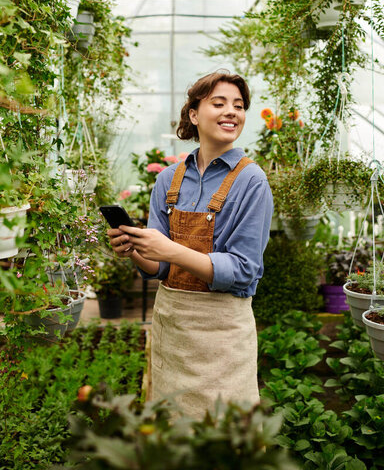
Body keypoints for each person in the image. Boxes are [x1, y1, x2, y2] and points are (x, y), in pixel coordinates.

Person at [108, 70, 273, 419]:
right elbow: (161, 269)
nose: (232, 112)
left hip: (222, 334)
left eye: (239, 106)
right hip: (173, 331)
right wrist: (137, 247)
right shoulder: (167, 179)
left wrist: (170, 249)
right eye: (219, 103)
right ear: (194, 114)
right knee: (172, 436)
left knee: (224, 437)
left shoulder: (251, 181)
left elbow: (244, 270)